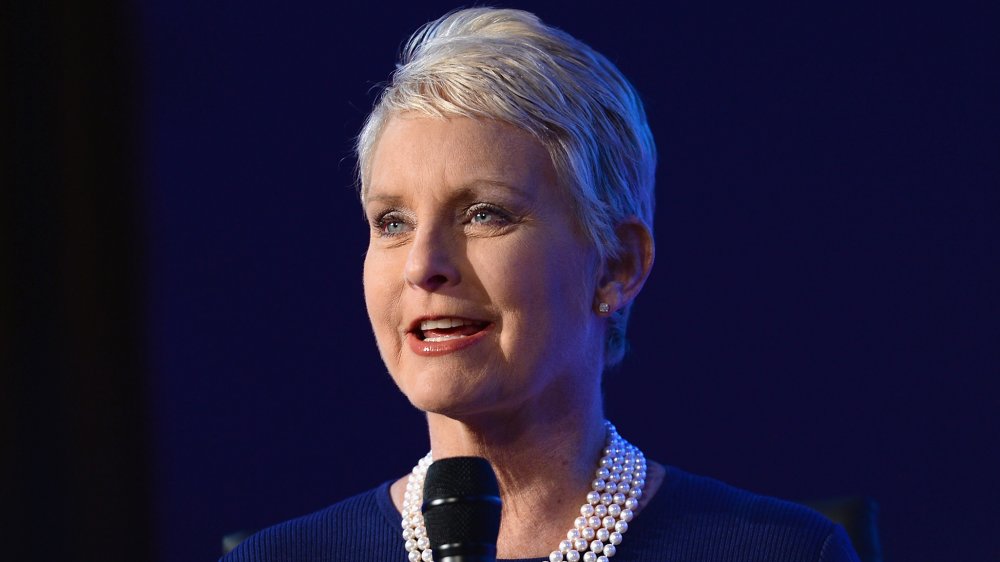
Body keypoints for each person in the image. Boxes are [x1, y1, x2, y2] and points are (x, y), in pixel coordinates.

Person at [222, 8, 859, 562]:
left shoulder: (783, 553)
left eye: (484, 214)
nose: (422, 265)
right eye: (392, 222)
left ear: (616, 265)